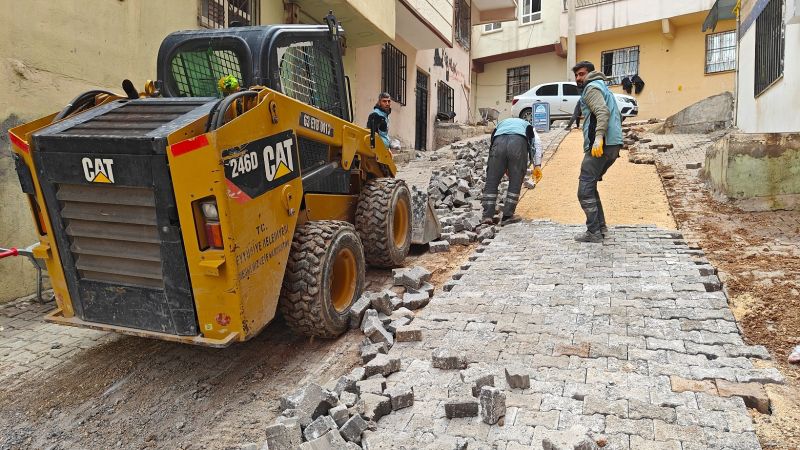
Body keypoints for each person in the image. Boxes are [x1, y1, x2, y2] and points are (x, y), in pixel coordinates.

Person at [572, 61, 623, 243]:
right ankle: (600, 227)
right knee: (591, 186)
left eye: (582, 74)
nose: (579, 78)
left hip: (602, 145)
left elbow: (602, 112)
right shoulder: (602, 87)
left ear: (590, 73)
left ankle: (593, 232)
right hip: (613, 144)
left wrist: (598, 137)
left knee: (584, 190)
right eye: (577, 75)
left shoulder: (591, 88)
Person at [481, 117, 543, 225]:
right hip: (518, 144)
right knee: (515, 180)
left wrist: (501, 166)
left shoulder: (501, 124)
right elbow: (537, 143)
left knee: (492, 180)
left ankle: (487, 216)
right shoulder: (528, 126)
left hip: (498, 143)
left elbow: (493, 142)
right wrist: (537, 165)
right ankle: (508, 216)